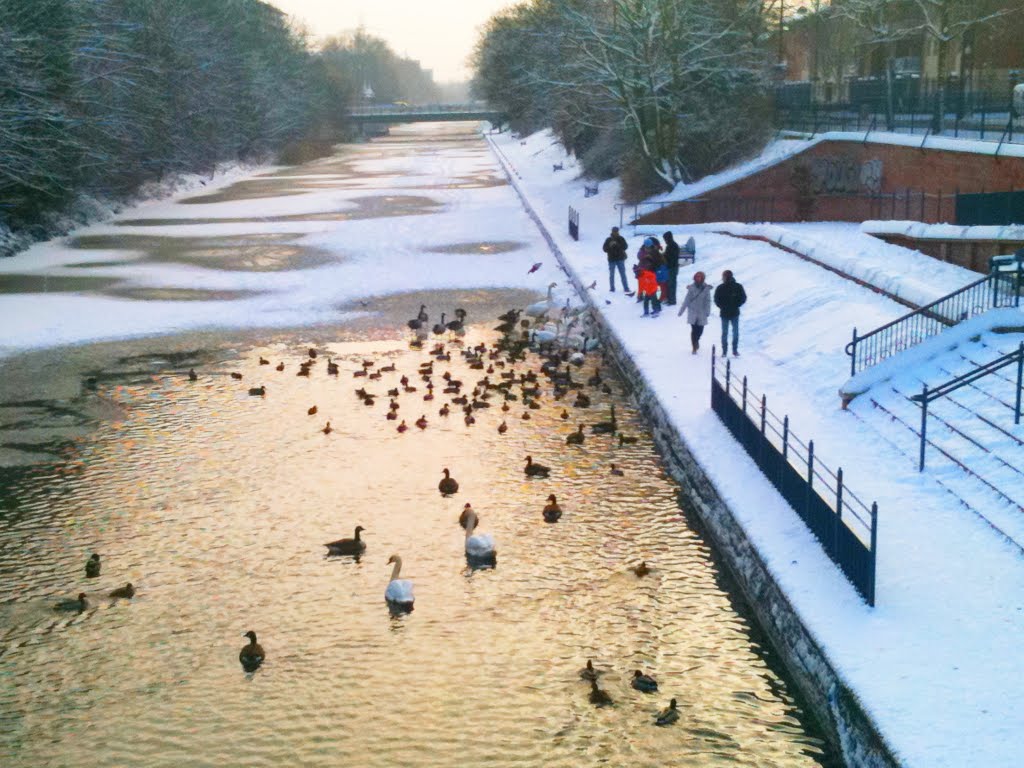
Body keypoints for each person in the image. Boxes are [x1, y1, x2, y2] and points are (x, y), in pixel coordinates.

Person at [714, 269, 747, 357]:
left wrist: (736, 304)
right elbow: (716, 299)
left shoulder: (737, 286)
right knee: (727, 332)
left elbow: (743, 298)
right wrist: (722, 306)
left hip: (733, 312)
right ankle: (726, 351)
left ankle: (733, 350)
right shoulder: (721, 287)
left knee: (732, 332)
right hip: (726, 312)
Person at [677, 271, 712, 353]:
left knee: (700, 330)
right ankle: (694, 346)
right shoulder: (691, 288)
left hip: (702, 312)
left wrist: (707, 311)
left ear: (702, 278)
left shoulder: (706, 288)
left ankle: (697, 341)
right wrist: (681, 311)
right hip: (692, 311)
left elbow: (708, 301)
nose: (698, 278)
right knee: (694, 330)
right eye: (696, 276)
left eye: (699, 276)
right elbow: (687, 300)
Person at [636, 237, 664, 316]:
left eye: (647, 247)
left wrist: (651, 264)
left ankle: (656, 310)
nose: (646, 249)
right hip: (646, 276)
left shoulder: (654, 253)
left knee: (653, 296)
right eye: (645, 247)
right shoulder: (646, 252)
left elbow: (658, 263)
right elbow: (642, 261)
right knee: (648, 297)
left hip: (652, 277)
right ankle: (648, 311)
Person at [603, 226, 629, 292]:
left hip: (620, 259)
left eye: (616, 231)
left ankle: (626, 288)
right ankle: (612, 288)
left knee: (623, 274)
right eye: (614, 231)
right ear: (612, 231)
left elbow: (625, 247)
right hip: (611, 259)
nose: (615, 233)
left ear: (618, 232)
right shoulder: (608, 240)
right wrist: (610, 246)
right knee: (612, 275)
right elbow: (604, 249)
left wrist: (617, 244)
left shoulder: (621, 238)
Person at [662, 231, 680, 305]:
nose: (665, 241)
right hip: (672, 267)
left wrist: (664, 257)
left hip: (672, 267)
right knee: (670, 284)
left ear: (668, 238)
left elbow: (671, 257)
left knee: (671, 284)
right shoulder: (671, 245)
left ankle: (672, 301)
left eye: (665, 239)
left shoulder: (672, 246)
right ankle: (670, 299)